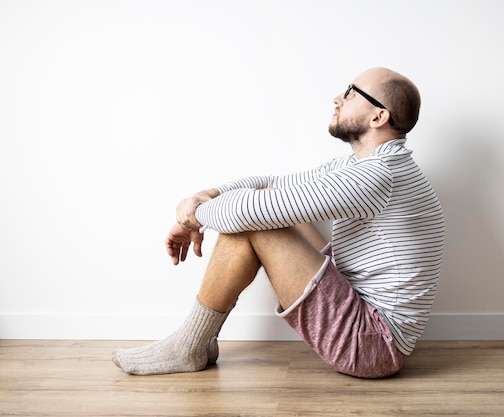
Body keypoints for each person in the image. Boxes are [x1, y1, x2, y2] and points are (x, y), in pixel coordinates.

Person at [112, 67, 444, 379]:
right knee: (267, 198)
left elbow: (252, 211)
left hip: (372, 343)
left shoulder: (377, 176)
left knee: (256, 219)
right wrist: (205, 194)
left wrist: (192, 216)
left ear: (378, 116)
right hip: (360, 310)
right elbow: (271, 184)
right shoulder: (366, 165)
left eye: (351, 93)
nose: (338, 98)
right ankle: (198, 342)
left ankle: (190, 345)